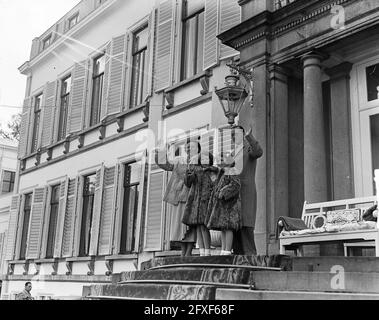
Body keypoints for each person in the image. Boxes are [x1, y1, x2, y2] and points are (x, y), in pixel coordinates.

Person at [154, 140, 197, 257]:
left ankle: (188, 253)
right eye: (187, 147)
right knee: (179, 227)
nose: (188, 149)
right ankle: (184, 253)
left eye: (191, 147)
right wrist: (161, 152)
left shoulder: (199, 161)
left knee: (190, 226)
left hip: (192, 197)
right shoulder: (179, 160)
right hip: (178, 197)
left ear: (197, 149)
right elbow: (166, 165)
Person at [232, 125, 263, 256]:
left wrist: (249, 137)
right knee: (235, 227)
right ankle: (238, 258)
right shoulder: (233, 152)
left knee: (246, 226)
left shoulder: (248, 147)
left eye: (237, 134)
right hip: (233, 193)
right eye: (232, 135)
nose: (234, 137)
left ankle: (251, 258)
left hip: (246, 191)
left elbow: (258, 152)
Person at [183, 140, 214, 257]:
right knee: (199, 227)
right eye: (203, 159)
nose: (204, 161)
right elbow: (188, 183)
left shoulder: (211, 171)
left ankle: (207, 251)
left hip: (206, 201)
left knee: (204, 227)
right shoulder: (195, 169)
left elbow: (213, 185)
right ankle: (202, 251)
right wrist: (189, 173)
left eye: (207, 159)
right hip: (196, 201)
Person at [206, 152, 242, 255]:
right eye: (218, 160)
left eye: (221, 160)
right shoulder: (222, 173)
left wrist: (223, 193)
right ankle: (223, 249)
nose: (219, 162)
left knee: (228, 228)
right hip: (222, 206)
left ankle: (227, 250)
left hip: (230, 206)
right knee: (223, 228)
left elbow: (236, 185)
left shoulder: (232, 171)